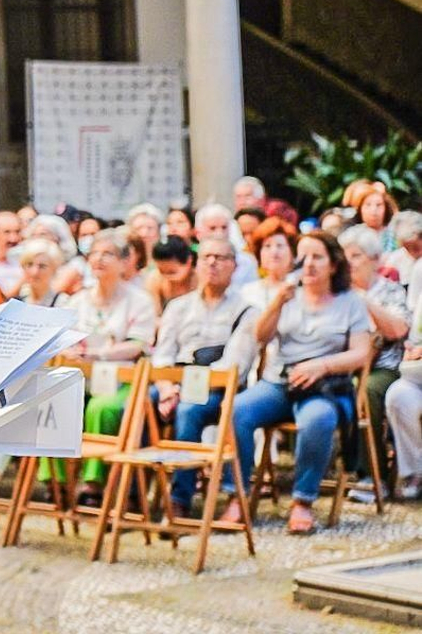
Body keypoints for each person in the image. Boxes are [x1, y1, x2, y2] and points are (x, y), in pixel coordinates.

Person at [222, 231, 374, 534]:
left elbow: (361, 352)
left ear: (333, 264)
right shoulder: (286, 295)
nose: (309, 265)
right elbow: (261, 338)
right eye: (303, 258)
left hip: (325, 386)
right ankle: (236, 493)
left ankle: (303, 501)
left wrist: (323, 365)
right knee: (237, 409)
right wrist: (277, 302)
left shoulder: (350, 302)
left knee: (317, 419)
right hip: (280, 381)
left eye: (318, 257)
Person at [149, 237, 258, 517]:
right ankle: (131, 492)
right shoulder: (178, 306)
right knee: (135, 404)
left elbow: (234, 366)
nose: (212, 263)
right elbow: (162, 354)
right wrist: (165, 386)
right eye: (206, 257)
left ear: (234, 266)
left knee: (189, 410)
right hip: (173, 382)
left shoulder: (247, 311)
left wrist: (181, 389)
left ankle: (179, 498)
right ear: (196, 264)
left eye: (221, 258)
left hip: (216, 388)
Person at [60, 230, 158, 506]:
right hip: (81, 378)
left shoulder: (139, 300)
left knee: (101, 408)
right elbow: (62, 338)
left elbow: (139, 344)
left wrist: (98, 354)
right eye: (94, 253)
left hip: (122, 380)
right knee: (52, 404)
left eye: (108, 254)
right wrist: (70, 351)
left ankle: (93, 484)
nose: (99, 259)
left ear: (125, 262)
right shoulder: (77, 300)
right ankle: (54, 483)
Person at [339, 225, 410, 489]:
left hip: (384, 368)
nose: (349, 262)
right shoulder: (336, 294)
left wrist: (363, 300)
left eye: (356, 255)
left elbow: (398, 329)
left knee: (366, 391)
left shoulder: (391, 290)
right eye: (345, 256)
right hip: (344, 366)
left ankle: (372, 476)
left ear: (374, 259)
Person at [384, 300, 422, 500]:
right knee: (399, 395)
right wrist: (411, 350)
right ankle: (415, 471)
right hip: (416, 378)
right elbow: (415, 340)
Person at [240, 216, 295, 311]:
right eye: (267, 246)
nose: (274, 252)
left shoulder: (300, 289)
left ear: (292, 253)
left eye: (280, 246)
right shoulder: (247, 291)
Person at [196, 203, 257, 288]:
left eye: (224, 227)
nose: (219, 233)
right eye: (212, 228)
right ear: (198, 233)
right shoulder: (191, 260)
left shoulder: (246, 262)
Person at [146, 236, 197, 313]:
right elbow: (153, 317)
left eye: (172, 272)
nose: (166, 276)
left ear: (189, 262)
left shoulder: (200, 279)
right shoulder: (155, 279)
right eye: (162, 271)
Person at [14, 238, 69, 307]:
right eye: (29, 264)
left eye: (42, 266)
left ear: (54, 269)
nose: (35, 272)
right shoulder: (16, 304)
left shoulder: (63, 303)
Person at [351, 182, 398, 253]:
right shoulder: (352, 235)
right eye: (368, 205)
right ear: (360, 209)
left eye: (379, 205)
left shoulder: (395, 233)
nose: (373, 211)